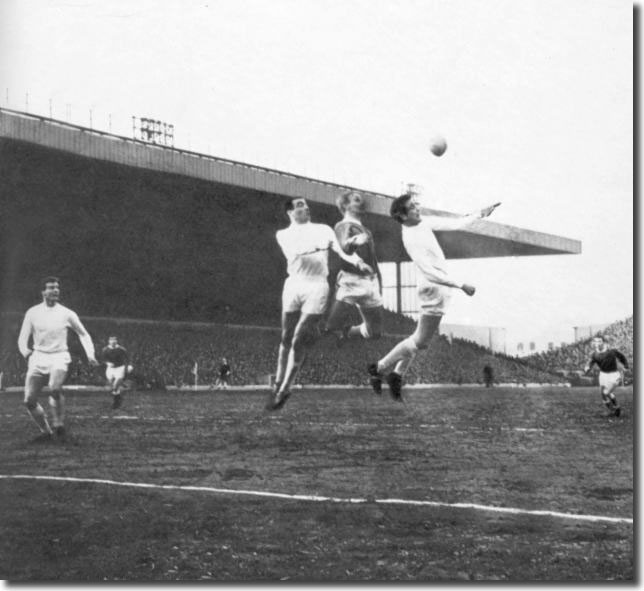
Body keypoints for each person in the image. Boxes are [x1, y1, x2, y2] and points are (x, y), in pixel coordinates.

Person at [368, 192, 499, 400]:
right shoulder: (410, 239)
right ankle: (379, 368)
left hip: (438, 287)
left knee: (421, 340)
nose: (418, 209)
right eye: (412, 207)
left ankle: (395, 374)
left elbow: (455, 224)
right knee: (420, 340)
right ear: (402, 216)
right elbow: (429, 272)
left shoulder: (422, 222)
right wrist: (460, 285)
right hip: (433, 287)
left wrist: (479, 214)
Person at [266, 197, 373, 411]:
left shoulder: (323, 229)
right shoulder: (283, 234)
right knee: (286, 336)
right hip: (294, 284)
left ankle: (285, 388)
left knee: (298, 337)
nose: (305, 207)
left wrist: (359, 261)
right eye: (299, 206)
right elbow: (297, 251)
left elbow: (341, 251)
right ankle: (278, 382)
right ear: (290, 213)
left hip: (317, 286)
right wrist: (321, 245)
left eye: (305, 204)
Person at [17, 276, 99, 441]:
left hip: (59, 357)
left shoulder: (67, 313)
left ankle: (59, 424)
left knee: (54, 388)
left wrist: (90, 354)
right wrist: (25, 351)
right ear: (43, 292)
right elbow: (22, 338)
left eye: (57, 287)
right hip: (38, 357)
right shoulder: (32, 312)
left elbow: (84, 334)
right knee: (29, 401)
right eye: (51, 287)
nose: (55, 290)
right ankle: (46, 432)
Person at [325, 190, 384, 346]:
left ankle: (349, 332)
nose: (362, 202)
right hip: (351, 281)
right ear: (345, 205)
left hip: (370, 283)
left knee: (375, 333)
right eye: (356, 200)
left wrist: (378, 282)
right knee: (331, 328)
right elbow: (344, 247)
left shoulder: (366, 230)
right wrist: (355, 241)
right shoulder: (342, 225)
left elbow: (373, 261)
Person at [584, 335, 628, 416]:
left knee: (607, 392)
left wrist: (626, 366)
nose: (597, 343)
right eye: (596, 341)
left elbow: (622, 357)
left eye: (599, 341)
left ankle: (617, 407)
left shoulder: (611, 351)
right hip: (603, 374)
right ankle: (612, 410)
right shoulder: (594, 354)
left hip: (613, 374)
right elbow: (590, 362)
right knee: (603, 394)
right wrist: (587, 367)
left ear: (603, 342)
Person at [101, 335, 129, 409]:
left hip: (120, 368)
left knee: (115, 385)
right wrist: (107, 363)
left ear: (117, 341)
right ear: (109, 341)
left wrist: (129, 365)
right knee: (112, 386)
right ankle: (118, 397)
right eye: (111, 340)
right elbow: (103, 359)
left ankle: (116, 402)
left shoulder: (121, 349)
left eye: (114, 340)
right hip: (110, 369)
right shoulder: (105, 349)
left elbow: (128, 358)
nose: (113, 341)